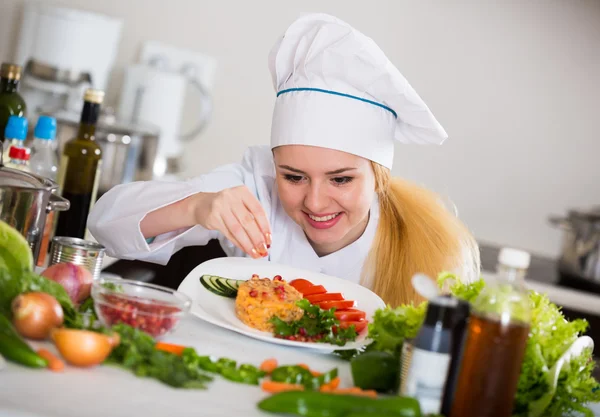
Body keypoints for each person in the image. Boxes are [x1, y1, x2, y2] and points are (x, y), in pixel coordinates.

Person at [88, 13, 480, 307]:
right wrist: (197, 205)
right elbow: (106, 223)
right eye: (294, 177)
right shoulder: (255, 186)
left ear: (379, 176)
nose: (315, 202)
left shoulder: (430, 250)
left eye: (340, 179)